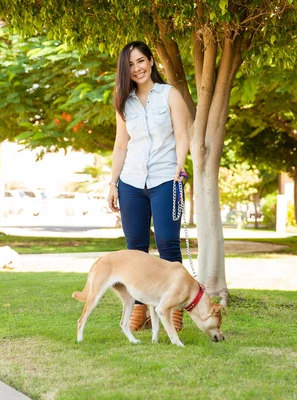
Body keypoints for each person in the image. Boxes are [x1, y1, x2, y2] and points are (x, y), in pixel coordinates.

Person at [107, 41, 189, 331]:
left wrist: (180, 165)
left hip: (166, 178)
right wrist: (113, 183)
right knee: (136, 251)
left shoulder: (169, 95)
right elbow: (120, 145)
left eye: (141, 61)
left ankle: (173, 310)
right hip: (131, 182)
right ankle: (140, 310)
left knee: (168, 245)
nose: (137, 68)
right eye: (130, 65)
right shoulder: (123, 101)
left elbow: (182, 134)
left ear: (152, 61)